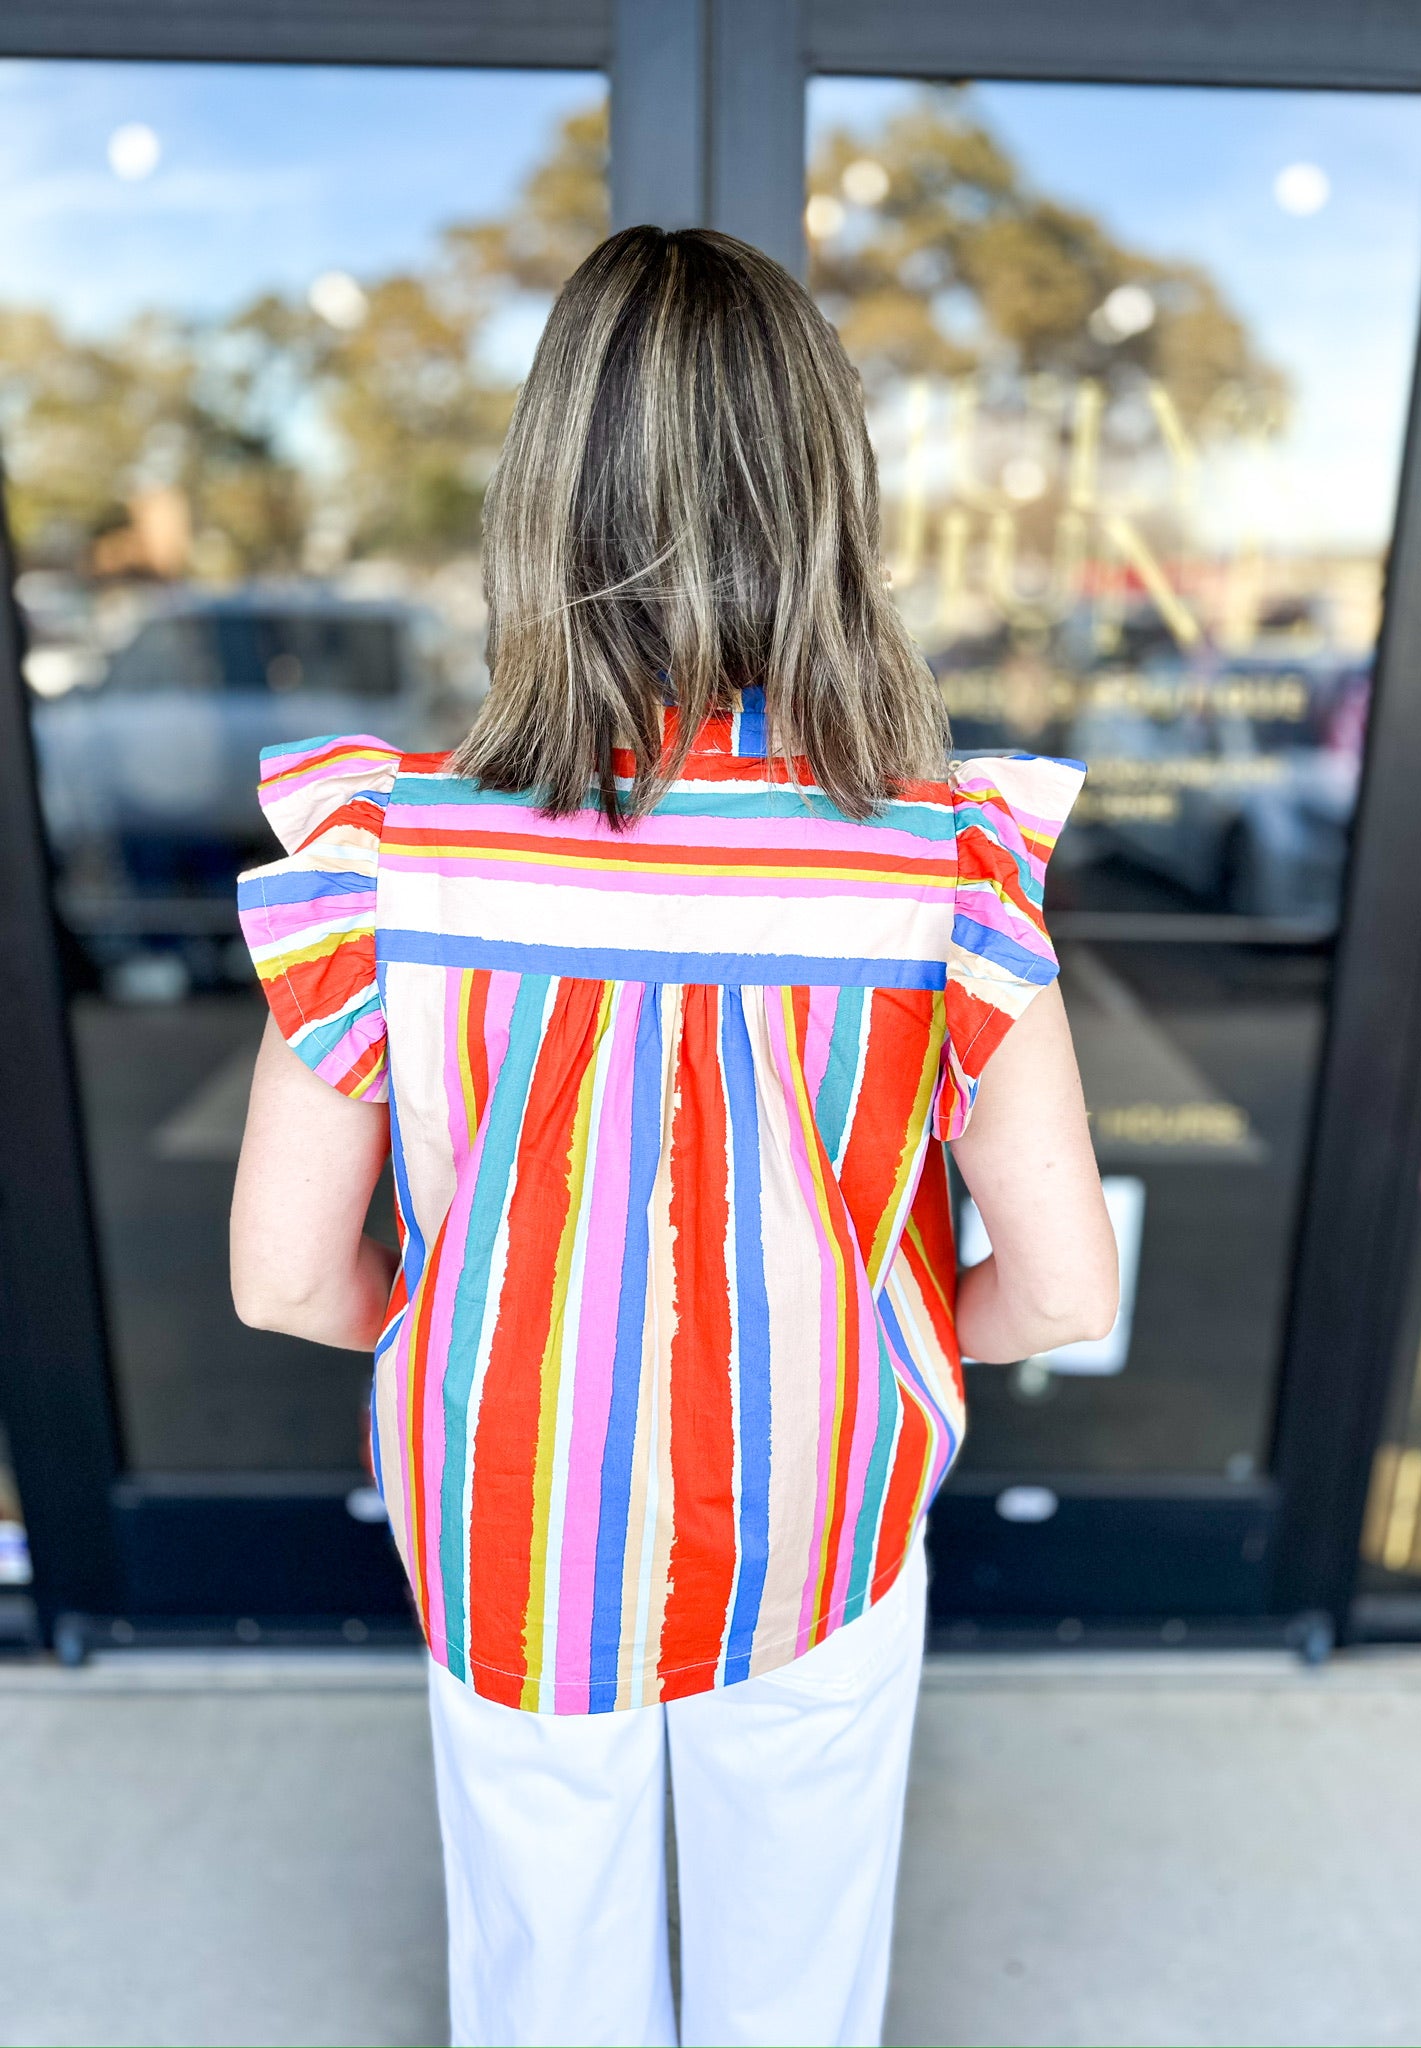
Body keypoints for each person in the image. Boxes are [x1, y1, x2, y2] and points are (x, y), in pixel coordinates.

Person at [229, 225, 1117, 2048]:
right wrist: (871, 1336)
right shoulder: (938, 864)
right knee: (796, 1983)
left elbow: (287, 1277)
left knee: (541, 1972)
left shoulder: (393, 858)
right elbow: (1060, 1282)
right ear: (828, 503)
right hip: (823, 1510)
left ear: (544, 498)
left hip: (502, 1510)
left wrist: (481, 1313)